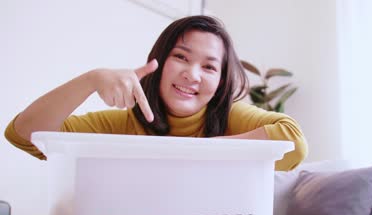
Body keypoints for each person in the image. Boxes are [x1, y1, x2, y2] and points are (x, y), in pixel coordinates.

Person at [4, 15, 307, 171]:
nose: (192, 74)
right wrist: (91, 79)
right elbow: (24, 134)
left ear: (220, 83)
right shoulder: (120, 126)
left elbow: (292, 141)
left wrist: (184, 154)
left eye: (210, 67)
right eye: (181, 57)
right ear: (159, 62)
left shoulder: (229, 115)